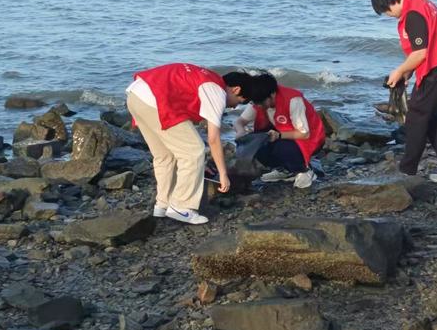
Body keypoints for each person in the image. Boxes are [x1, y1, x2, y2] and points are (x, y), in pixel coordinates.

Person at [126, 63, 265, 225]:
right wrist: (223, 174)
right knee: (194, 151)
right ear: (236, 89)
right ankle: (182, 206)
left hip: (136, 96)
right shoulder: (217, 91)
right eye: (240, 101)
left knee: (165, 155)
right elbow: (213, 139)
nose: (234, 106)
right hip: (155, 100)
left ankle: (162, 205)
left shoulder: (207, 78)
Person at [371, 0, 437, 183]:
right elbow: (424, 49)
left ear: (391, 2)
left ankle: (407, 171)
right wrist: (408, 72)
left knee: (416, 117)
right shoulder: (420, 2)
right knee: (434, 119)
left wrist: (399, 70)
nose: (389, 15)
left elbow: (421, 53)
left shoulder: (412, 14)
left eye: (386, 11)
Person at [233, 71, 325, 189]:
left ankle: (304, 170)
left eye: (261, 103)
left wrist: (279, 135)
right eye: (255, 103)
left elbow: (304, 134)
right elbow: (239, 122)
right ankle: (286, 170)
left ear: (272, 94)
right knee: (255, 142)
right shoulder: (259, 99)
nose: (258, 106)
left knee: (280, 146)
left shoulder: (293, 100)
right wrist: (241, 131)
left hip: (311, 139)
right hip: (284, 134)